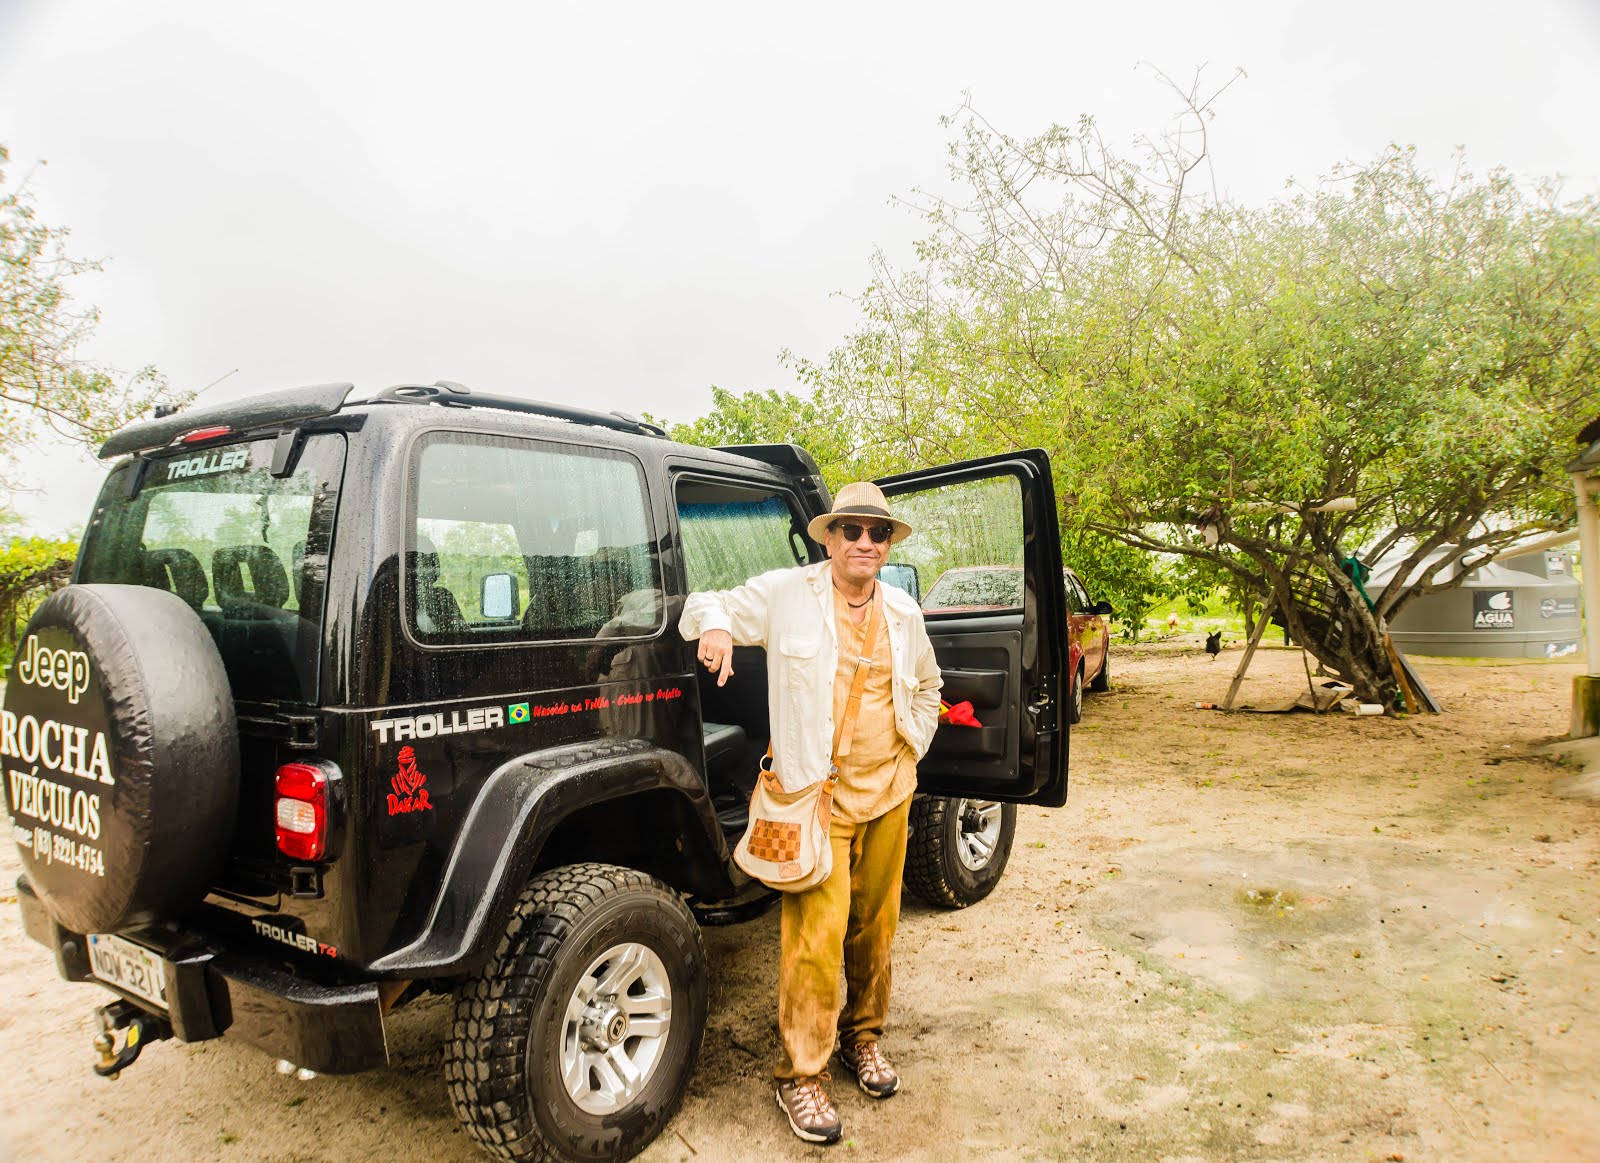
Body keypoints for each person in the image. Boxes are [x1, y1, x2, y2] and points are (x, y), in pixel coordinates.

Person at [679, 482, 943, 1146]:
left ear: (887, 544)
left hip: (890, 791)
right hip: (816, 800)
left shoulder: (907, 613)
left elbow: (931, 686)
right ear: (828, 537)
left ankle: (864, 1039)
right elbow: (701, 601)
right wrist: (714, 625)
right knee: (814, 943)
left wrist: (914, 746)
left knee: (875, 930)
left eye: (876, 532)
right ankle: (801, 1073)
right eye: (850, 529)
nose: (863, 542)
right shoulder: (784, 594)